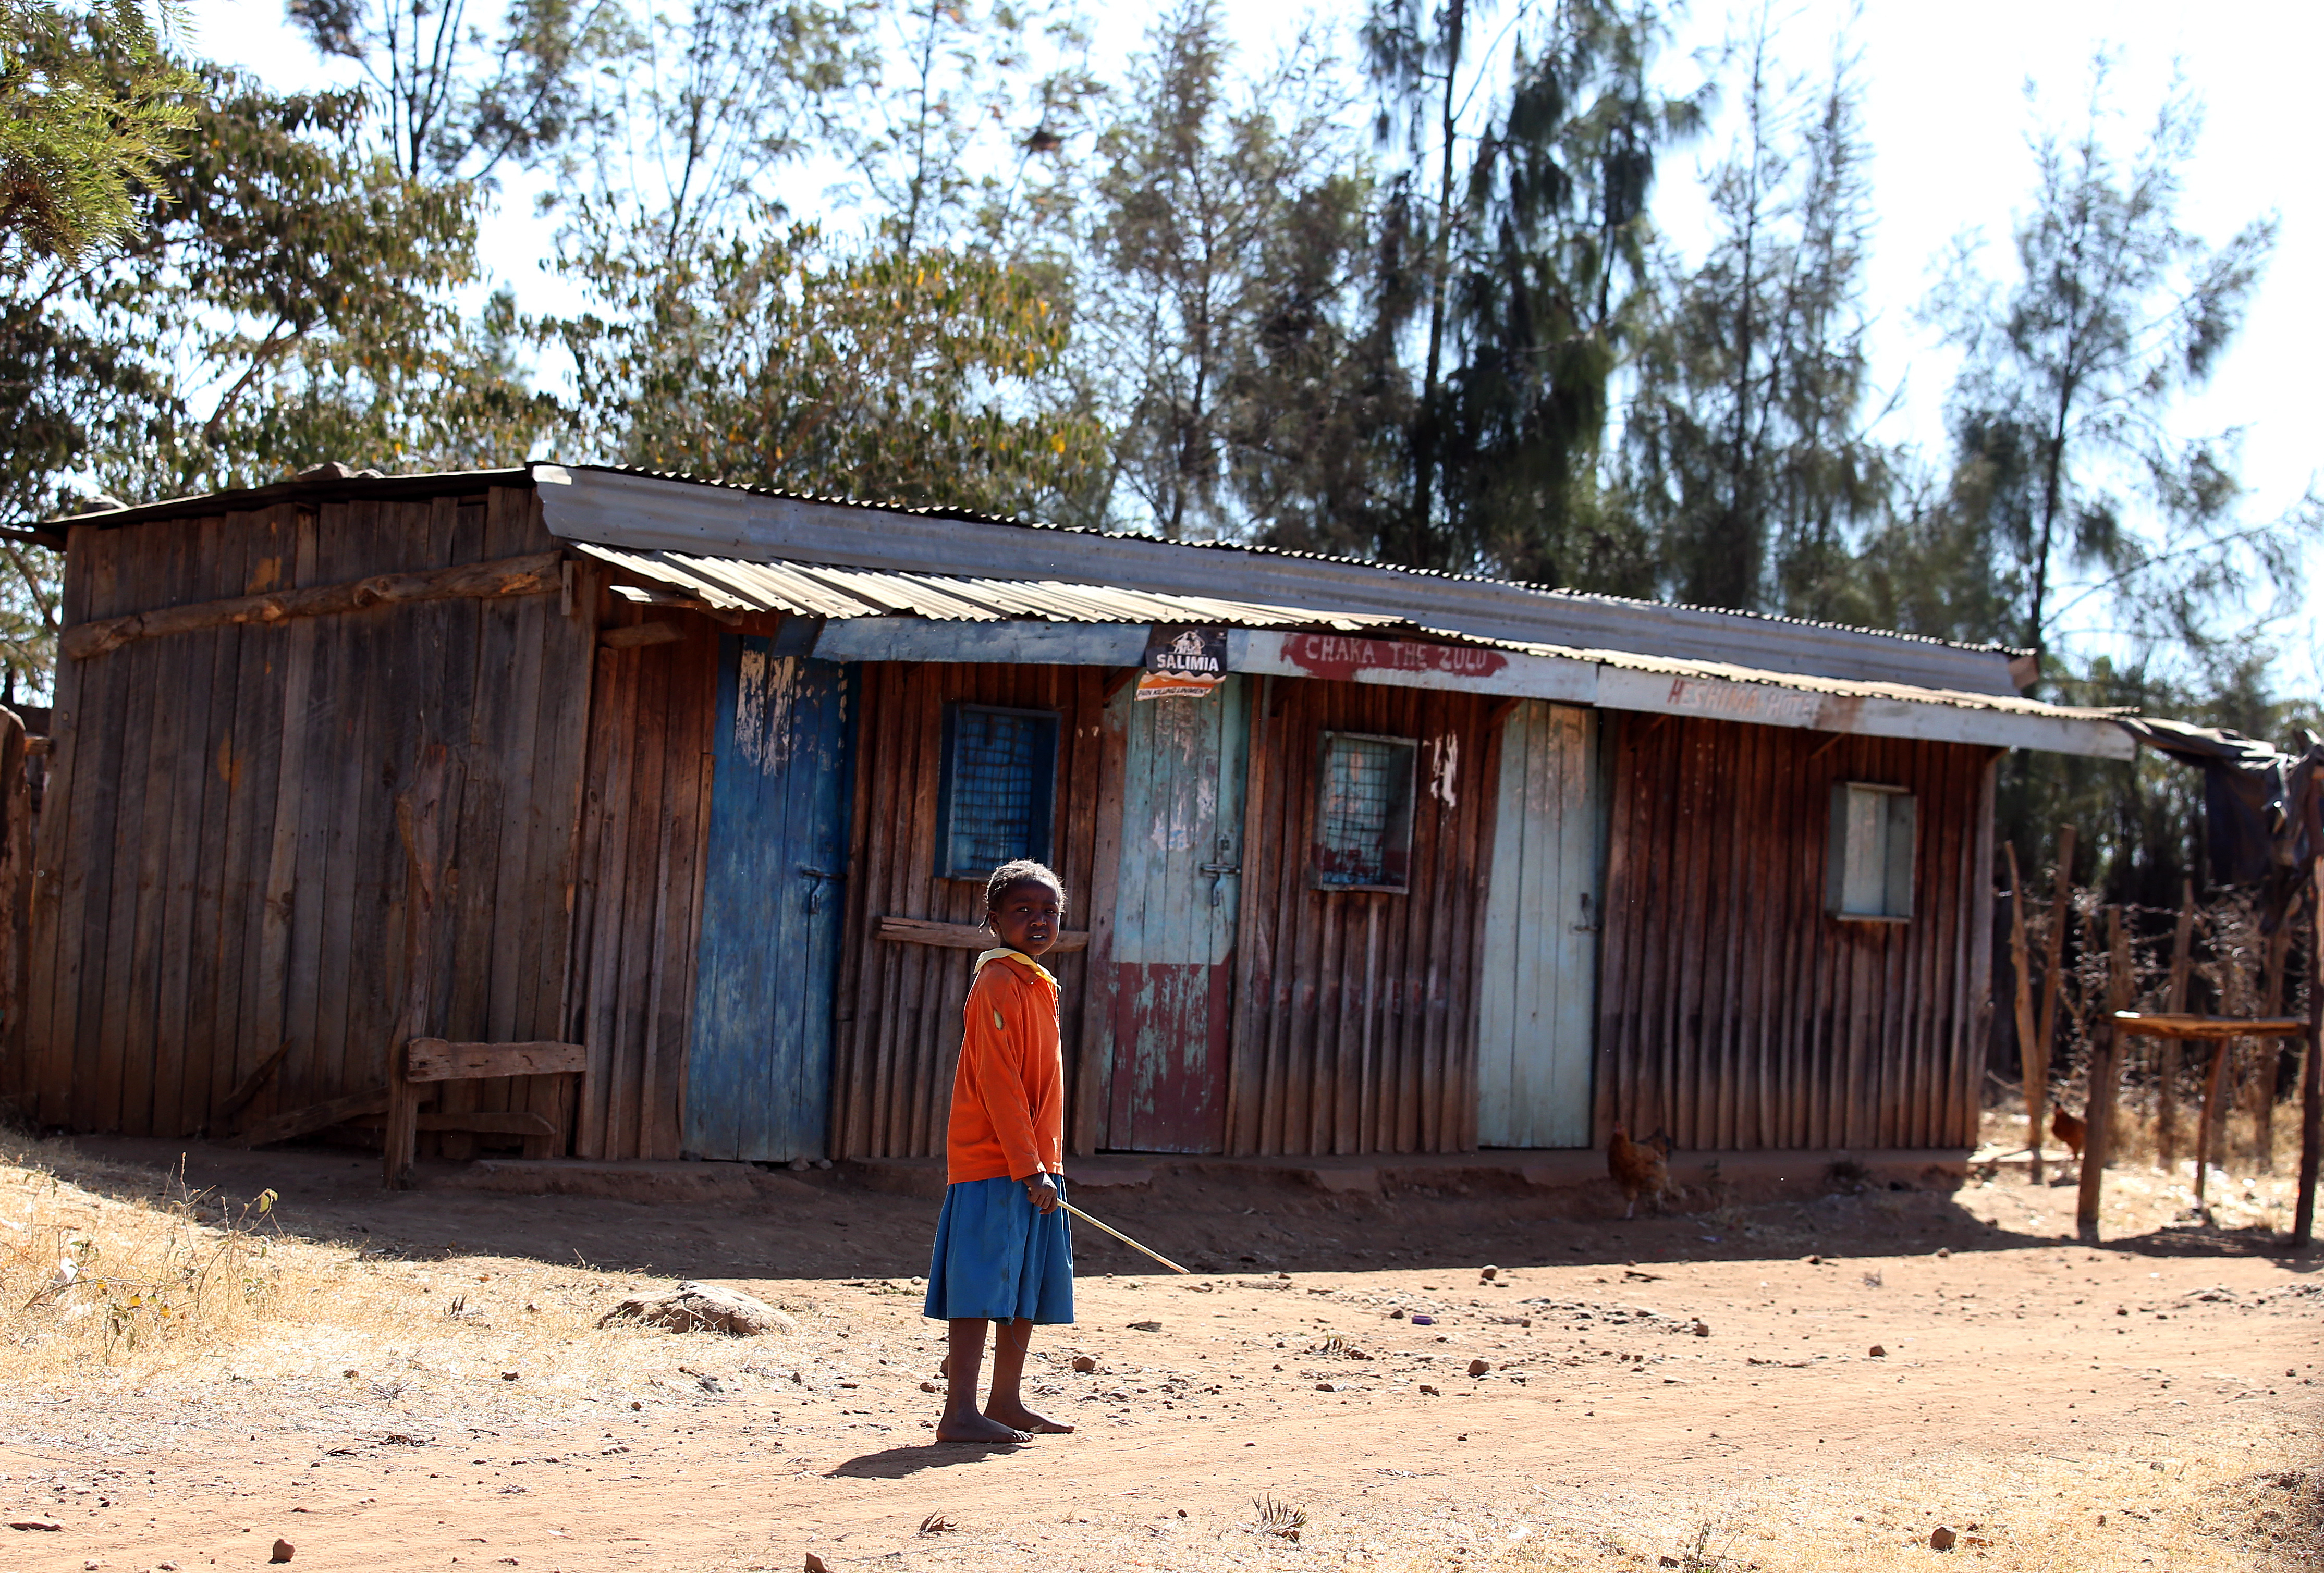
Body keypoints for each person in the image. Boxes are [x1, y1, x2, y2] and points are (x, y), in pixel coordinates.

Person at [922, 858, 1077, 1444]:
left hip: (1037, 1163)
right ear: (994, 919)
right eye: (1023, 911)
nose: (1038, 921)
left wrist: (1044, 1164)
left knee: (1024, 1286)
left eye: (1049, 912)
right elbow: (999, 1082)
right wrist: (1028, 1165)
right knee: (981, 1283)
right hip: (999, 1162)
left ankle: (1006, 1402)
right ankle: (959, 1411)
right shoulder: (996, 982)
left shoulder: (1036, 982)